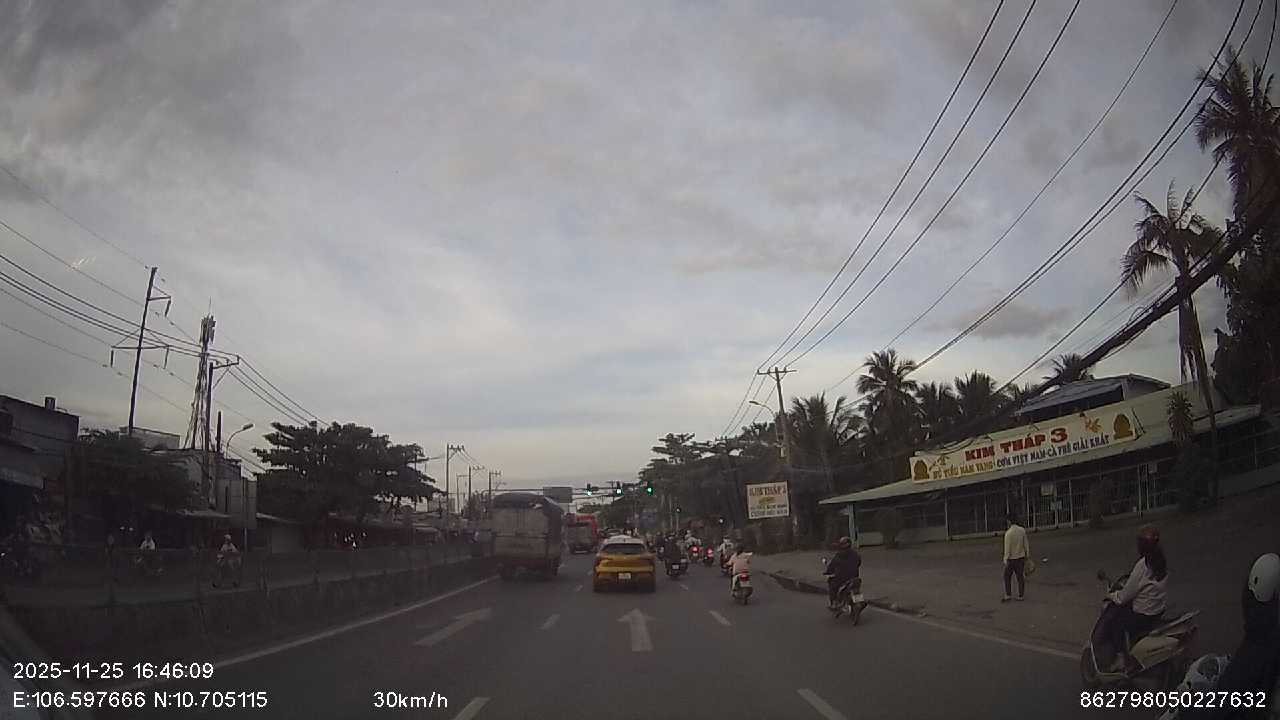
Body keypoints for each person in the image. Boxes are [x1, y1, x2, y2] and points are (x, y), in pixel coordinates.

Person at [1106, 525, 1168, 670]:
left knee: (1115, 623)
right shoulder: (1161, 562)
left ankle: (1121, 659)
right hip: (1158, 610)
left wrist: (1111, 595)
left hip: (1143, 615)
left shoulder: (1143, 566)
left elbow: (1124, 597)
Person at [824, 537, 862, 609]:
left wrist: (827, 572)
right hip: (855, 577)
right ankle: (858, 601)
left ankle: (834, 603)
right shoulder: (855, 554)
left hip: (841, 578)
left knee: (832, 585)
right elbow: (859, 563)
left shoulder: (839, 555)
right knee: (856, 587)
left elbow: (832, 565)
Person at [1002, 512, 1029, 602]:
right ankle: (1021, 595)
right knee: (1020, 577)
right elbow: (1026, 544)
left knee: (1007, 576)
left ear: (1009, 521)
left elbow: (1007, 549)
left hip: (1011, 559)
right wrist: (1027, 555)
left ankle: (1008, 594)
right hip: (1021, 557)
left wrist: (1005, 560)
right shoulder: (1022, 530)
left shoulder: (1008, 533)